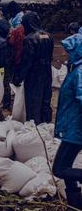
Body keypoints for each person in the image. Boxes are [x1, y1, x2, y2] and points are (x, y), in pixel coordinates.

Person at [52, 28, 82, 209]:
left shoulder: (79, 72)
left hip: (76, 129)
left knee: (59, 169)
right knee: (66, 167)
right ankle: (75, 204)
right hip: (73, 127)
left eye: (68, 50)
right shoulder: (75, 68)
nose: (64, 53)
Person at [12, 12, 54, 125]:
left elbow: (27, 62)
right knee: (45, 100)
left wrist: (18, 78)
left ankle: (34, 127)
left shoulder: (29, 39)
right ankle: (46, 124)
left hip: (34, 75)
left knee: (33, 102)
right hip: (47, 72)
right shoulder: (49, 36)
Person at [3, 23, 25, 110]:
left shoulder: (16, 32)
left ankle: (7, 104)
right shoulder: (25, 31)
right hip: (21, 62)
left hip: (12, 62)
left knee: (7, 82)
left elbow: (12, 43)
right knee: (17, 83)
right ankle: (17, 104)